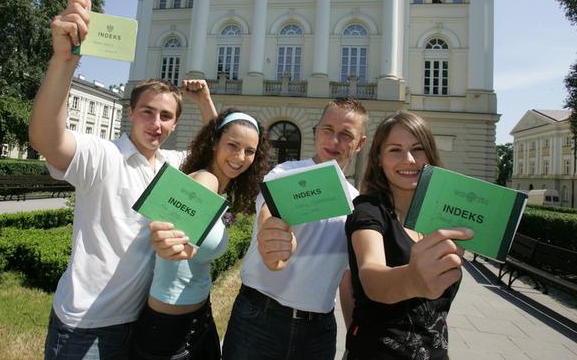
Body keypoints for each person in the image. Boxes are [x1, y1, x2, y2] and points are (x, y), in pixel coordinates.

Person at [29, 0, 217, 359]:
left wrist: (205, 103)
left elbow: (219, 151)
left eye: (166, 116)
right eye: (148, 112)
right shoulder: (104, 156)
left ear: (176, 123)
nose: (156, 123)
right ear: (130, 112)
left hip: (143, 321)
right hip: (86, 326)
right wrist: (64, 62)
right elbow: (46, 139)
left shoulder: (173, 166)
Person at [222, 98, 369, 360]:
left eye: (346, 135)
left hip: (318, 332)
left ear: (360, 144)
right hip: (259, 320)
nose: (334, 140)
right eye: (327, 130)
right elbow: (270, 207)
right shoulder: (286, 172)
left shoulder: (356, 203)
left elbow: (347, 280)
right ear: (316, 132)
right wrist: (271, 235)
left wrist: (356, 340)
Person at [131, 108, 269, 359]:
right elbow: (180, 232)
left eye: (249, 151)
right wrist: (176, 243)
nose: (240, 157)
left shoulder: (222, 190)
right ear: (215, 142)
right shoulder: (208, 180)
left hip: (199, 318)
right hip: (168, 331)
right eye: (233, 145)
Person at [344, 111, 473, 359]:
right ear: (379, 158)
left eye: (418, 148)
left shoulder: (443, 218)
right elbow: (371, 276)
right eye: (395, 150)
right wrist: (412, 279)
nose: (409, 159)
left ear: (431, 155)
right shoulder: (368, 210)